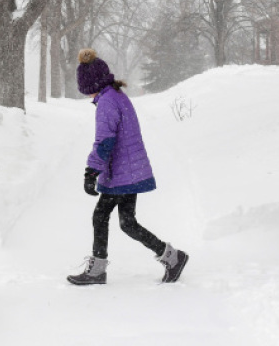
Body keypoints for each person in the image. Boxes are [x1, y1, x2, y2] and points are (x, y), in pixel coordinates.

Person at [67, 48, 189, 286]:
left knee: (101, 216)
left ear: (89, 83)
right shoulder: (116, 95)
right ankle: (173, 258)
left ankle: (97, 271)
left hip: (122, 173)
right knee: (127, 223)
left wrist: (91, 171)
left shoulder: (106, 103)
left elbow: (105, 141)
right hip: (128, 172)